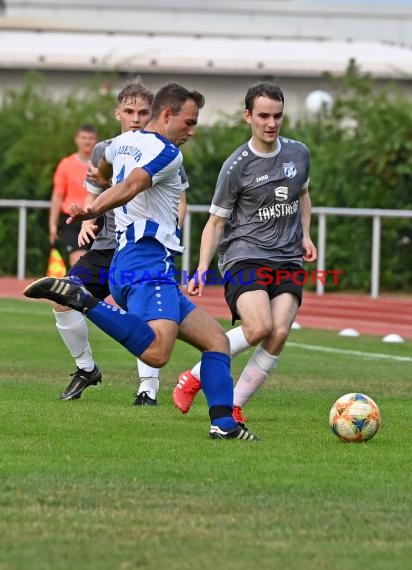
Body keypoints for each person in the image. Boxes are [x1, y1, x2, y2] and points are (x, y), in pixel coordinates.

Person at [24, 82, 258, 441]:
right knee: (158, 353)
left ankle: (224, 425)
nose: (192, 132)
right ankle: (82, 299)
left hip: (136, 261)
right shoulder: (168, 154)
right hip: (145, 261)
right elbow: (132, 185)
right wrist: (93, 208)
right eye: (189, 122)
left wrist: (96, 195)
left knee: (216, 342)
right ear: (167, 114)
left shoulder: (119, 144)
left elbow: (102, 169)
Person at [172, 81, 317, 425]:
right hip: (244, 255)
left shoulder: (299, 154)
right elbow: (215, 223)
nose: (271, 123)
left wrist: (306, 236)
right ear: (248, 116)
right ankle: (194, 375)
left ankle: (235, 405)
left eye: (277, 116)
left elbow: (303, 196)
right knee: (258, 327)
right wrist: (202, 268)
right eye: (264, 115)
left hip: (287, 258)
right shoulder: (236, 166)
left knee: (279, 332)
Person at [51, 82, 174, 405]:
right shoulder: (105, 148)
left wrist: (172, 225)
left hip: (139, 250)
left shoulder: (162, 148)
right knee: (63, 295)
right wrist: (90, 216)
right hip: (105, 248)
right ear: (117, 113)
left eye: (143, 112)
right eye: (129, 112)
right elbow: (95, 187)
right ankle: (86, 368)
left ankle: (147, 389)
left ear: (154, 115)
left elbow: (180, 197)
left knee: (143, 316)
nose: (136, 118)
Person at [49, 124, 99, 267]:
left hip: (97, 219)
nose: (87, 141)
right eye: (83, 138)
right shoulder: (66, 164)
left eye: (91, 138)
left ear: (96, 140)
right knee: (78, 264)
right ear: (77, 139)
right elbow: (57, 196)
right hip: (73, 220)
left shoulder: (103, 164)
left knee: (98, 266)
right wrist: (52, 225)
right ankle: (76, 288)